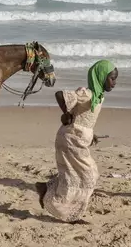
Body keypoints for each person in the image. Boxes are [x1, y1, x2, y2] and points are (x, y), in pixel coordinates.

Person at [35, 60, 118, 223]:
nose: (114, 83)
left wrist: (91, 134)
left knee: (80, 174)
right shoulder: (86, 94)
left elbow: (85, 119)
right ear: (100, 77)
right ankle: (66, 213)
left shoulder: (98, 96)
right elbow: (60, 95)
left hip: (79, 140)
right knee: (87, 175)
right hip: (70, 140)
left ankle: (46, 188)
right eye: (112, 78)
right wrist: (66, 113)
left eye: (115, 79)